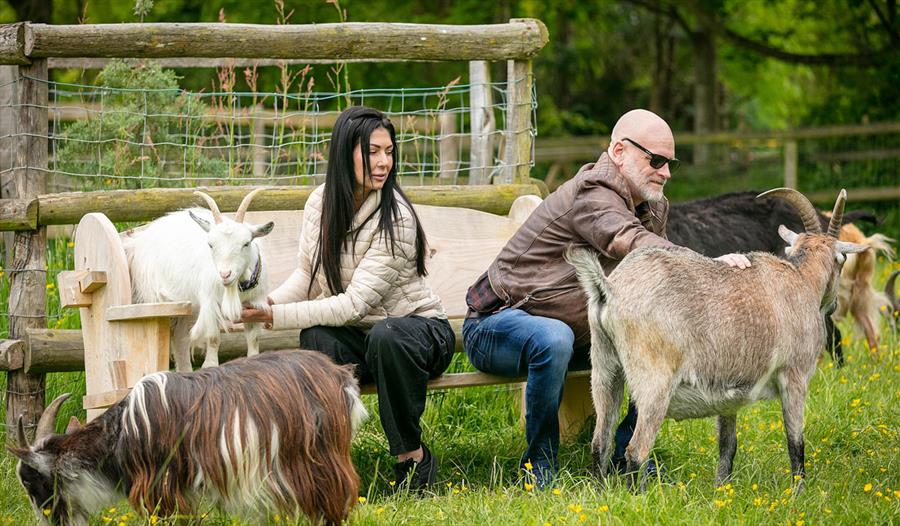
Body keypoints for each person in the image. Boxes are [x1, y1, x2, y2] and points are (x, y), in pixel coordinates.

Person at [462, 109, 750, 487]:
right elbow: (631, 243)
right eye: (656, 160)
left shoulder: (652, 205)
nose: (666, 172)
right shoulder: (592, 193)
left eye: (670, 163)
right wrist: (707, 265)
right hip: (497, 326)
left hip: (576, 332)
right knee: (552, 338)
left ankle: (625, 456)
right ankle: (538, 468)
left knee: (651, 341)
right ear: (619, 151)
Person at [241, 106, 454, 491]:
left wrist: (275, 318)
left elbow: (354, 304)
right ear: (345, 152)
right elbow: (307, 276)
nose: (384, 162)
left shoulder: (398, 217)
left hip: (419, 337)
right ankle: (324, 459)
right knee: (316, 338)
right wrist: (264, 305)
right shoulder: (320, 204)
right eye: (373, 151)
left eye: (389, 152)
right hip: (366, 338)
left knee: (387, 336)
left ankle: (413, 458)